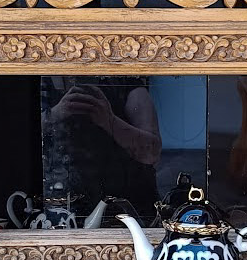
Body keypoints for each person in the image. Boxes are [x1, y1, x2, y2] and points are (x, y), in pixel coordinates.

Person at [41, 76, 162, 224]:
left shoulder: (125, 83)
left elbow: (151, 153)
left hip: (125, 207)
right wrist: (56, 114)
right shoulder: (42, 81)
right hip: (61, 206)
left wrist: (110, 121)